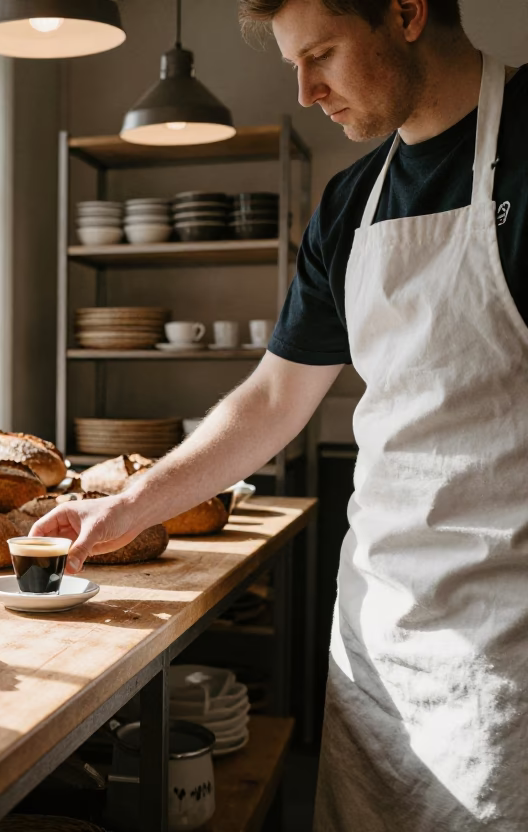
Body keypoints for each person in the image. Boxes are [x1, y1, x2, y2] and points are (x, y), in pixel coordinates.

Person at [31, 0, 526, 828]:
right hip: (381, 632)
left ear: (405, 13)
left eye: (322, 54)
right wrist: (124, 506)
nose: (305, 92)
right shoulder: (349, 203)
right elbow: (272, 400)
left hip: (508, 645)